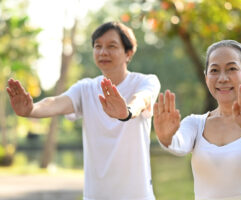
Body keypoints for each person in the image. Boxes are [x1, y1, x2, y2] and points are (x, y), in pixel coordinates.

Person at [7, 22, 160, 200]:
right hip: (95, 196)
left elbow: (141, 100)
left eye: (112, 46)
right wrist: (31, 110)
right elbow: (55, 102)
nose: (103, 52)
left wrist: (126, 112)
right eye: (98, 46)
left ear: (128, 53)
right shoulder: (85, 88)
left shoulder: (145, 81)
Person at [153, 40, 241, 200]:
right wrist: (166, 137)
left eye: (231, 69)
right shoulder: (195, 123)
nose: (222, 78)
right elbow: (178, 143)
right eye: (214, 70)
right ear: (206, 77)